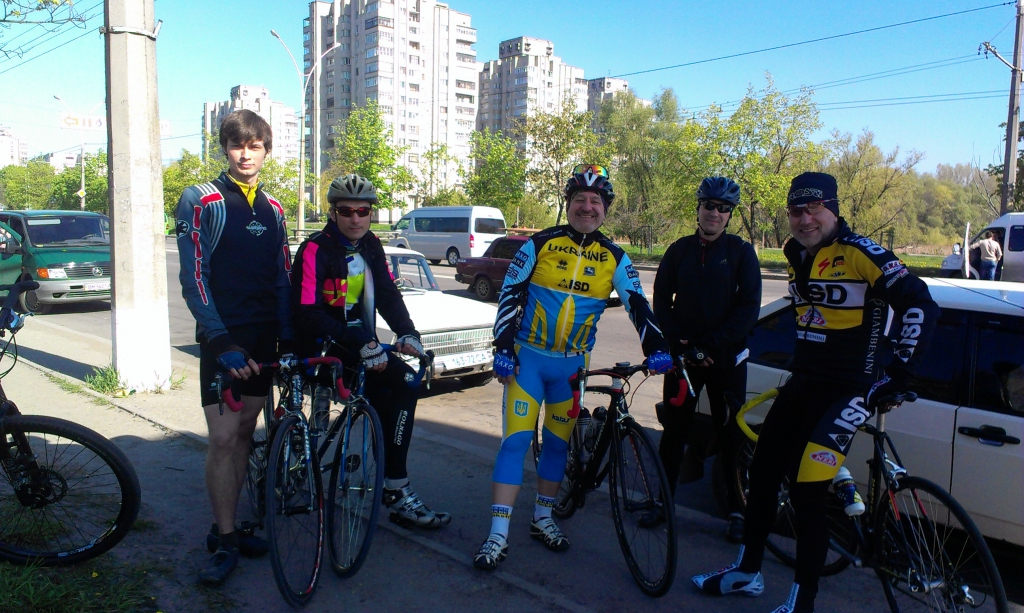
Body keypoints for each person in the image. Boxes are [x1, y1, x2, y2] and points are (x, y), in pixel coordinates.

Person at [692, 172, 938, 613]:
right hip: (804, 382)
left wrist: (900, 375)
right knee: (762, 475)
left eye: (814, 208)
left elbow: (920, 303)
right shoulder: (795, 253)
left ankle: (802, 602)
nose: (805, 219)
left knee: (808, 491)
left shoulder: (859, 252)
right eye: (795, 211)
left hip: (851, 390)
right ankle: (747, 572)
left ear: (833, 210)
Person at [473, 164, 673, 571]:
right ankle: (497, 534)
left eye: (595, 201)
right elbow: (510, 293)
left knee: (557, 445)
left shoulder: (615, 257)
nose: (587, 207)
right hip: (528, 360)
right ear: (568, 204)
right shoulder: (540, 243)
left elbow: (638, 304)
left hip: (572, 368)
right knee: (514, 443)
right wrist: (503, 346)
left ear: (605, 209)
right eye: (579, 199)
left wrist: (656, 346)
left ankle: (542, 517)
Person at [175, 109, 294, 586]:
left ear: (266, 150)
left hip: (264, 338)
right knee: (223, 438)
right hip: (225, 337)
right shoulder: (201, 199)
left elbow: (282, 277)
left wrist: (287, 336)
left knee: (246, 432)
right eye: (237, 145)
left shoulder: (275, 208)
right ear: (225, 148)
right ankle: (225, 540)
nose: (246, 154)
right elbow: (194, 277)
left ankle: (226, 525)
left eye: (255, 145)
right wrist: (219, 337)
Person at [291, 174, 450, 529]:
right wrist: (361, 342)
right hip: (321, 347)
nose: (355, 218)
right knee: (393, 384)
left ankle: (395, 485)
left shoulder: (371, 245)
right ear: (333, 213)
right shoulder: (315, 249)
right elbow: (306, 313)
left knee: (404, 384)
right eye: (346, 211)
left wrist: (408, 332)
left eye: (363, 211)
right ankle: (390, 483)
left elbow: (389, 295)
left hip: (361, 347)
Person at [651, 176, 761, 543]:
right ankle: (663, 502)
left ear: (730, 215)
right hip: (684, 360)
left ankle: (737, 512)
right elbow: (661, 301)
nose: (715, 213)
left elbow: (748, 310)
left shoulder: (741, 253)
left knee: (731, 438)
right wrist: (680, 343)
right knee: (674, 433)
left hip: (725, 362)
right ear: (698, 208)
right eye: (709, 205)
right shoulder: (679, 250)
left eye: (723, 208)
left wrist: (709, 346)